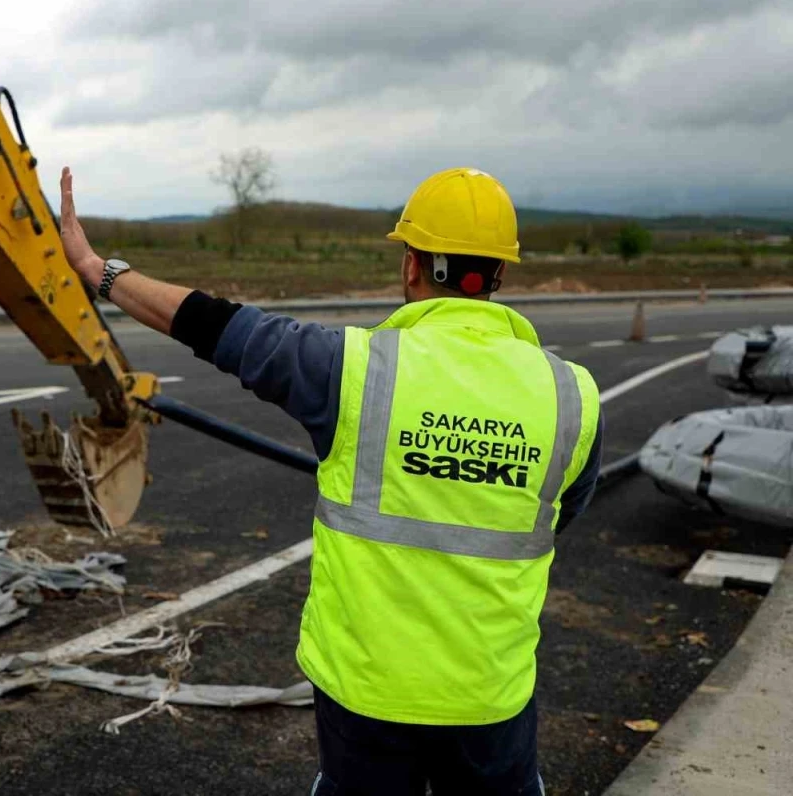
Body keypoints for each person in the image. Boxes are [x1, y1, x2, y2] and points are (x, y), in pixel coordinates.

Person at [57, 165, 603, 796]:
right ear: (499, 274)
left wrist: (99, 271)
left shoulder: (351, 369)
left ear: (411, 265)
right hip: (490, 696)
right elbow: (559, 512)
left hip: (364, 694)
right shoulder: (572, 396)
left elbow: (217, 325)